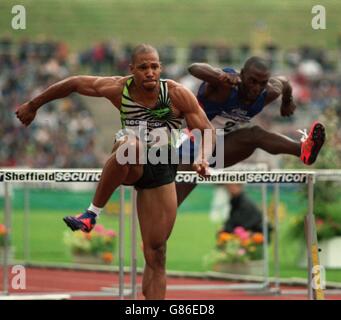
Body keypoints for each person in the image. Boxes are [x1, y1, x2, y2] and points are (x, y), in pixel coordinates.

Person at [15, 44, 215, 300]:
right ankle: (91, 214)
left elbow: (207, 130)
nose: (150, 72)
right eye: (143, 67)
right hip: (130, 161)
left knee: (157, 253)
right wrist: (34, 105)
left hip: (162, 167)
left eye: (154, 66)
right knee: (131, 144)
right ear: (132, 70)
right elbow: (75, 82)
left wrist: (201, 158)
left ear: (160, 68)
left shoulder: (176, 93)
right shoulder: (118, 89)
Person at [176, 57, 326, 206]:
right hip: (188, 142)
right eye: (252, 81)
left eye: (262, 83)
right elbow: (194, 68)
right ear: (242, 75)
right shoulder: (226, 85)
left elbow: (285, 83)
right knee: (172, 203)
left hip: (218, 147)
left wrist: (287, 101)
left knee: (255, 134)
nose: (256, 88)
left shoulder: (269, 92)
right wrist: (220, 76)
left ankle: (303, 150)